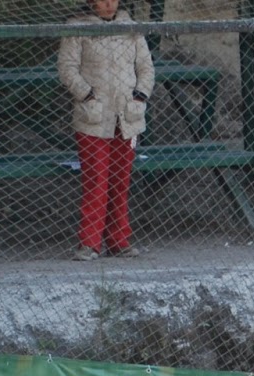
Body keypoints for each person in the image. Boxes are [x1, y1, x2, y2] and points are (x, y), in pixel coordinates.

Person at [57, 0, 154, 260]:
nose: (109, 3)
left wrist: (140, 95)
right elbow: (67, 68)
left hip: (128, 119)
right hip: (94, 117)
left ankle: (118, 240)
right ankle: (90, 243)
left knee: (121, 182)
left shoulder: (131, 27)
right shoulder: (76, 28)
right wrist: (87, 94)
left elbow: (146, 67)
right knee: (96, 181)